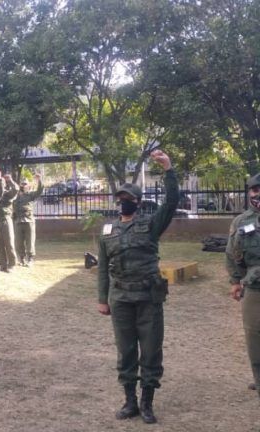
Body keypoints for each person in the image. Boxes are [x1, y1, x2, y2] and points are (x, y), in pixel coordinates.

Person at [97, 149, 177, 424]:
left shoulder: (151, 224)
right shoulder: (108, 231)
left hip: (148, 297)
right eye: (120, 199)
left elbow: (171, 203)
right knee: (126, 351)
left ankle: (147, 403)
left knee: (151, 350)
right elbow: (102, 269)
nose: (124, 203)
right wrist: (102, 299)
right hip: (120, 298)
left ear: (138, 202)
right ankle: (130, 401)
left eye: (129, 199)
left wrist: (168, 170)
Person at [226, 172, 260, 401]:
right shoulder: (241, 222)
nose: (258, 194)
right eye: (254, 190)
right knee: (254, 336)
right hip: (254, 288)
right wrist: (235, 281)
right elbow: (232, 253)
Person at [13, 175, 43, 267]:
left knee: (30, 241)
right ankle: (21, 259)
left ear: (28, 186)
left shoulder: (30, 195)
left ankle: (30, 259)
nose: (23, 186)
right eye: (22, 184)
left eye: (25, 184)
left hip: (28, 221)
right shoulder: (16, 196)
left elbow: (39, 191)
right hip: (18, 221)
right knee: (18, 241)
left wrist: (39, 181)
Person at [0, 174, 20, 272]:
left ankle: (12, 264)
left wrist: (10, 180)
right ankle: (3, 264)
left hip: (6, 220)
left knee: (9, 243)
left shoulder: (8, 194)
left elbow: (16, 189)